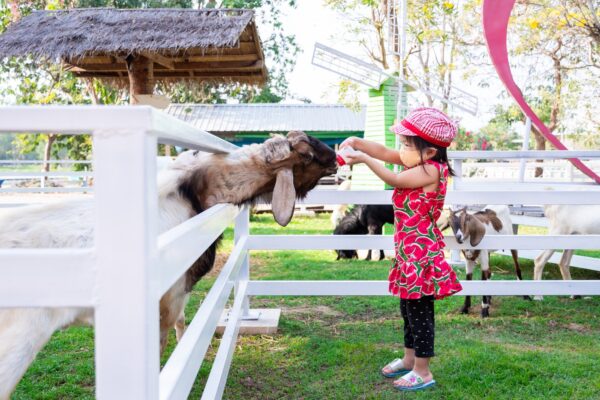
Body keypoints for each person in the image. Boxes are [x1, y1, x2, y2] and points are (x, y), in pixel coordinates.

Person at [339, 107, 463, 392]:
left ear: (430, 152)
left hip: (421, 256)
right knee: (408, 309)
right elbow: (383, 151)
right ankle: (409, 360)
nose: (401, 148)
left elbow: (393, 179)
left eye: (407, 143)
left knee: (420, 313)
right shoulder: (416, 161)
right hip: (409, 254)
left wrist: (363, 159)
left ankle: (423, 370)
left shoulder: (430, 170)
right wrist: (358, 143)